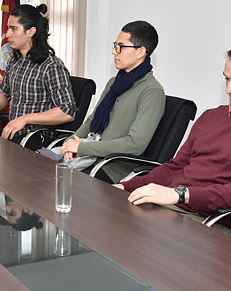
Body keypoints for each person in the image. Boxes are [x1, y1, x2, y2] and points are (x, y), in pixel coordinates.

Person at [116, 36, 231, 236]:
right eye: (227, 78)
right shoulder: (212, 116)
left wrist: (180, 194)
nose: (229, 89)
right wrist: (124, 187)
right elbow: (175, 168)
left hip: (212, 225)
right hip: (169, 209)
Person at [61, 21, 165, 183]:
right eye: (115, 45)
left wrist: (81, 147)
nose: (114, 52)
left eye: (121, 47)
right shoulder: (114, 82)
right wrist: (71, 142)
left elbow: (135, 144)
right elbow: (91, 121)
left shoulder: (152, 91)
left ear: (140, 52)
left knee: (57, 182)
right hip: (91, 158)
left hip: (112, 169)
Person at [0, 4, 76, 142]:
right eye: (8, 28)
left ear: (31, 31)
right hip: (14, 135)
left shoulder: (51, 66)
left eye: (14, 29)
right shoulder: (15, 60)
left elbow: (67, 111)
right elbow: (2, 91)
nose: (7, 34)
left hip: (35, 138)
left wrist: (25, 119)